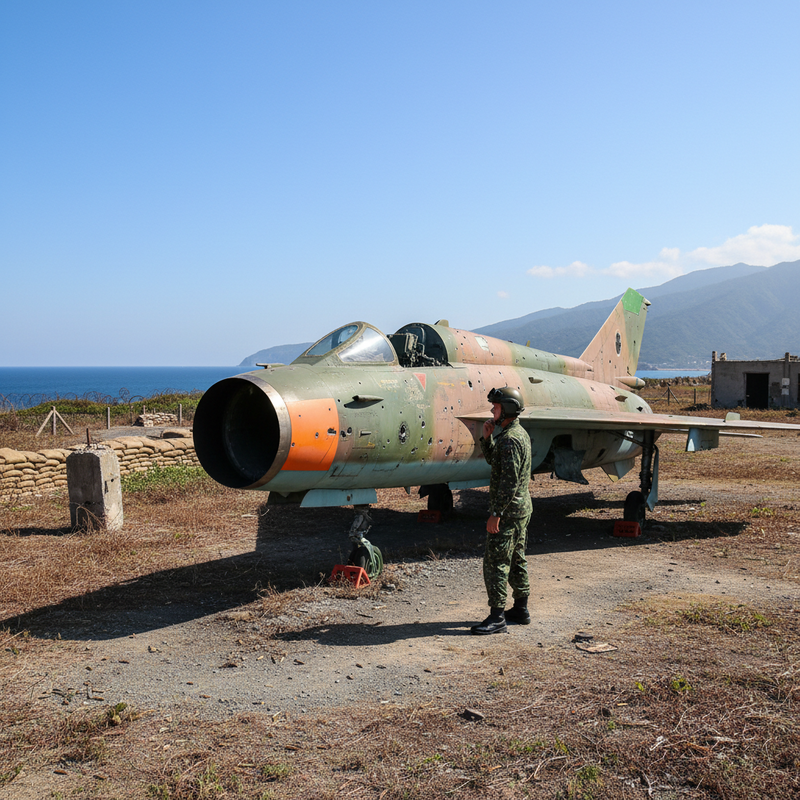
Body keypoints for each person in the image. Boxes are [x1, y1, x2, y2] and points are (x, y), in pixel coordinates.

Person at [471, 386, 533, 635]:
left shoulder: (510, 441)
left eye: (495, 407)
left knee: (496, 563)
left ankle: (497, 617)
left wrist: (496, 513)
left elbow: (508, 482)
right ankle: (521, 609)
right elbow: (496, 462)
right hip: (520, 509)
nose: (491, 410)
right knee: (517, 558)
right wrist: (488, 438)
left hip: (508, 512)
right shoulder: (515, 434)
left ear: (506, 410)